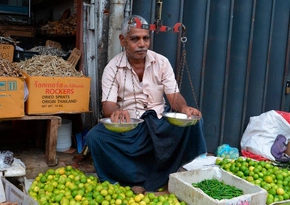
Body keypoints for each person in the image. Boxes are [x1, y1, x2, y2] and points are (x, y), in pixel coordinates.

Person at [85, 15, 207, 192]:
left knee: (194, 122)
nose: (142, 44)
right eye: (135, 39)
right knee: (95, 137)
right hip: (131, 125)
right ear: (123, 40)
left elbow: (174, 96)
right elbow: (108, 106)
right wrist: (117, 112)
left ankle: (180, 171)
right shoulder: (113, 68)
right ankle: (131, 178)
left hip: (158, 121)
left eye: (146, 38)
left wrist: (183, 107)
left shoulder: (161, 62)